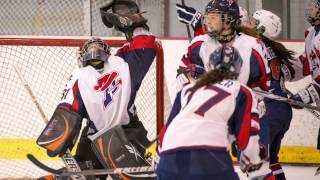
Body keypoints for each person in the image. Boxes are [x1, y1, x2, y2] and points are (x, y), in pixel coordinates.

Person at [36, 2, 157, 180]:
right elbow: (145, 45)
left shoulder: (81, 75)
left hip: (103, 137)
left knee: (83, 173)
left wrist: (58, 137)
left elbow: (68, 112)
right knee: (136, 175)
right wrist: (133, 24)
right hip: (126, 133)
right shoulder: (123, 64)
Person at [157, 46, 270, 180]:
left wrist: (158, 161)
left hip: (168, 159)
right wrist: (252, 161)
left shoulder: (187, 89)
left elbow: (166, 131)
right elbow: (248, 137)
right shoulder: (240, 90)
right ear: (238, 69)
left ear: (209, 66)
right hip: (211, 157)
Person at [243, 9, 296, 180]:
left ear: (262, 29)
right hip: (282, 110)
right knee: (272, 160)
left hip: (269, 109)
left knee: (257, 163)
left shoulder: (256, 47)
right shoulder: (273, 48)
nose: (248, 24)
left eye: (253, 22)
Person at [286, 0, 320, 156]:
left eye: (314, 7)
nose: (310, 9)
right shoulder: (312, 33)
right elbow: (307, 63)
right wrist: (282, 71)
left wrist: (307, 95)